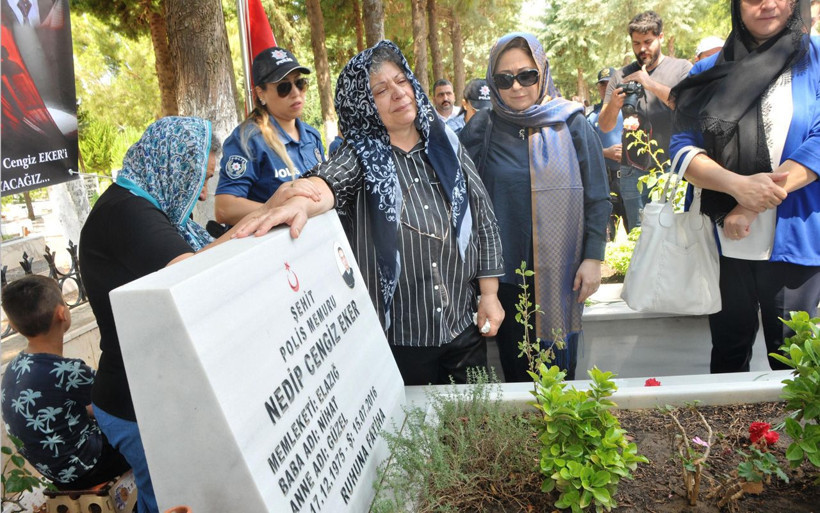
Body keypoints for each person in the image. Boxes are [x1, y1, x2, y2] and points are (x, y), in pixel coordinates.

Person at [234, 41, 505, 386]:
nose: (397, 93)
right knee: (412, 434)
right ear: (364, 105)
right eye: (380, 89)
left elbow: (483, 220)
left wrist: (490, 295)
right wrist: (300, 202)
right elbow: (328, 183)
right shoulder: (361, 156)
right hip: (398, 340)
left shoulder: (447, 147)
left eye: (401, 81)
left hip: (462, 326)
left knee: (480, 425)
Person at [79, 117, 238, 513]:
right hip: (135, 404)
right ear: (175, 163)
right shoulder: (128, 212)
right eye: (201, 178)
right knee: (174, 502)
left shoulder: (143, 206)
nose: (203, 194)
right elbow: (195, 273)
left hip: (151, 397)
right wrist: (263, 219)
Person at [670, 0, 819, 373]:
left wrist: (752, 204)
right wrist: (736, 186)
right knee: (727, 352)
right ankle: (728, 435)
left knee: (796, 362)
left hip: (794, 242)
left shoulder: (814, 63)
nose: (767, 4)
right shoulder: (709, 71)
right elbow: (682, 148)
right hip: (724, 244)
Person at [459, 33, 611, 381]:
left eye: (526, 75)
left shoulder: (571, 121)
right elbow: (456, 191)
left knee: (559, 366)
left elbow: (597, 195)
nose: (516, 86)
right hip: (503, 277)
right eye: (504, 78)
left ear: (542, 72)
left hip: (563, 272)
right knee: (517, 370)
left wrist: (593, 257)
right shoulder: (484, 126)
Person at [1, 275, 131, 490]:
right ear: (62, 313)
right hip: (86, 469)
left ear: (14, 325)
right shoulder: (67, 372)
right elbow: (119, 398)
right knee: (138, 424)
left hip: (52, 470)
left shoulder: (16, 365)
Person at [598, 11, 692, 232]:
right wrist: (613, 104)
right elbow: (605, 125)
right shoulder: (620, 76)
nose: (642, 49)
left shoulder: (681, 69)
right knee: (639, 239)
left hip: (672, 168)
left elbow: (687, 108)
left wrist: (648, 83)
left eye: (648, 42)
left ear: (661, 37)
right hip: (632, 172)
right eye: (636, 43)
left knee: (674, 236)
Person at [214, 47, 324, 226]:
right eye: (284, 87)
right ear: (260, 93)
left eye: (300, 83)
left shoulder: (312, 137)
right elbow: (224, 208)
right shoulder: (248, 140)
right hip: (270, 245)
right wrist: (277, 210)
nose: (296, 92)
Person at [587, 66, 625, 240]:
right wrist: (605, 152)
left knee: (636, 227)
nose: (605, 88)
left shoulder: (629, 111)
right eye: (602, 85)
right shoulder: (592, 117)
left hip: (628, 177)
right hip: (604, 180)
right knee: (608, 234)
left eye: (609, 83)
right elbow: (585, 149)